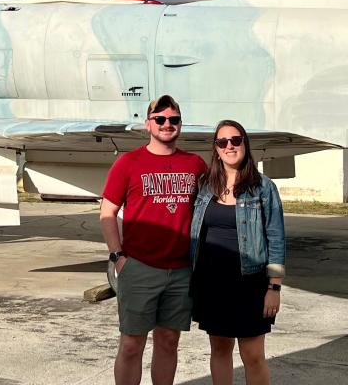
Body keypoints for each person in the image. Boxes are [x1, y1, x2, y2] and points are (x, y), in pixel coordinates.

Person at [100, 95, 209, 385]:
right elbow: (108, 212)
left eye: (173, 119)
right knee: (131, 344)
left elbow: (212, 205)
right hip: (139, 267)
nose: (166, 124)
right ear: (148, 123)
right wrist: (118, 257)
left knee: (168, 341)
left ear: (180, 125)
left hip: (181, 270)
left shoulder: (195, 164)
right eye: (160, 119)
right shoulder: (129, 163)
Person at [189, 119, 286, 385]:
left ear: (245, 144)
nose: (230, 146)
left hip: (250, 283)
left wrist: (274, 288)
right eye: (223, 142)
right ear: (216, 149)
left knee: (252, 355)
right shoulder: (205, 185)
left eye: (236, 140)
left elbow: (276, 239)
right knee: (219, 350)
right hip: (212, 283)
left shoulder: (263, 188)